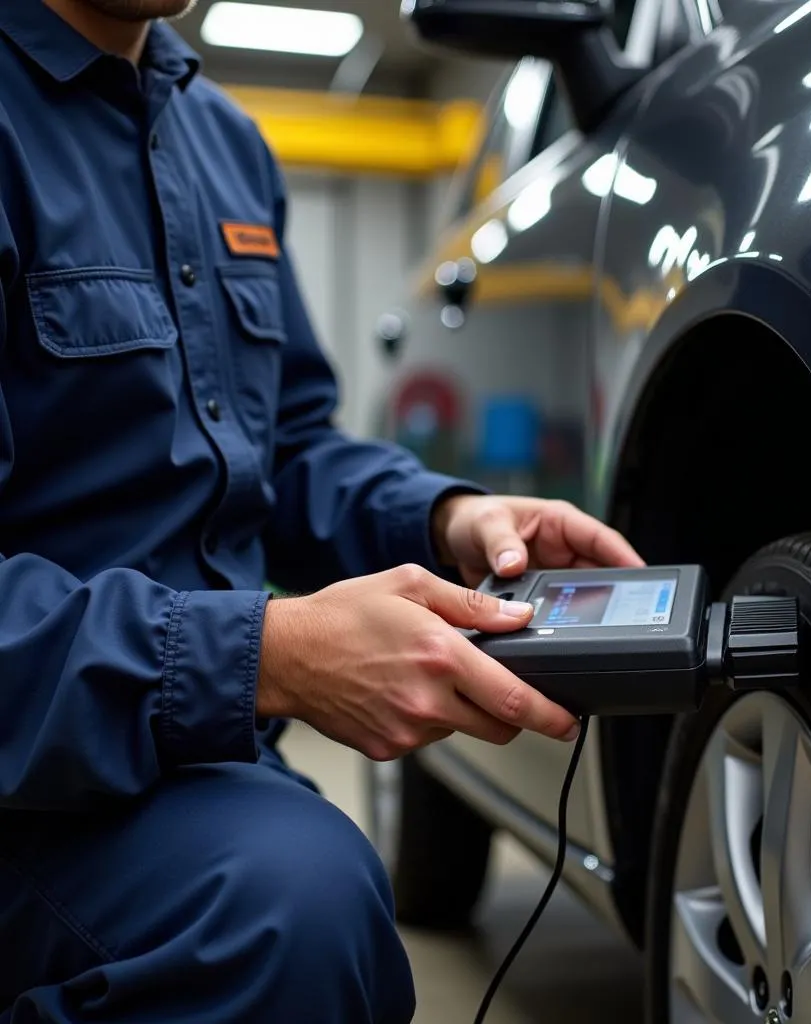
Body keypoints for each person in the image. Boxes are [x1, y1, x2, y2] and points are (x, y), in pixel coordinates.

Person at [0, 2, 644, 1021]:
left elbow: (284, 445)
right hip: (31, 773)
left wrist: (446, 516)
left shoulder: (221, 140)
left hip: (193, 757)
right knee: (291, 909)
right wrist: (267, 654)